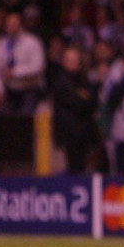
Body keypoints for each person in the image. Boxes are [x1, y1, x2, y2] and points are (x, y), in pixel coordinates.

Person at [51, 46, 99, 174]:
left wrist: (86, 99)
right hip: (68, 136)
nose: (73, 63)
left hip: (84, 135)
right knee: (71, 170)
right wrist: (84, 99)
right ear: (63, 62)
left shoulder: (84, 79)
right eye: (69, 60)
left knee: (85, 169)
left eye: (75, 60)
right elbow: (79, 103)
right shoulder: (60, 81)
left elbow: (92, 101)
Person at [0, 11, 46, 114]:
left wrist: (15, 72)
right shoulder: (1, 43)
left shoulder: (33, 42)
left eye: (14, 23)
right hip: (9, 89)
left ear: (21, 24)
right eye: (9, 24)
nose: (11, 26)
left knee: (24, 121)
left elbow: (38, 67)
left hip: (30, 89)